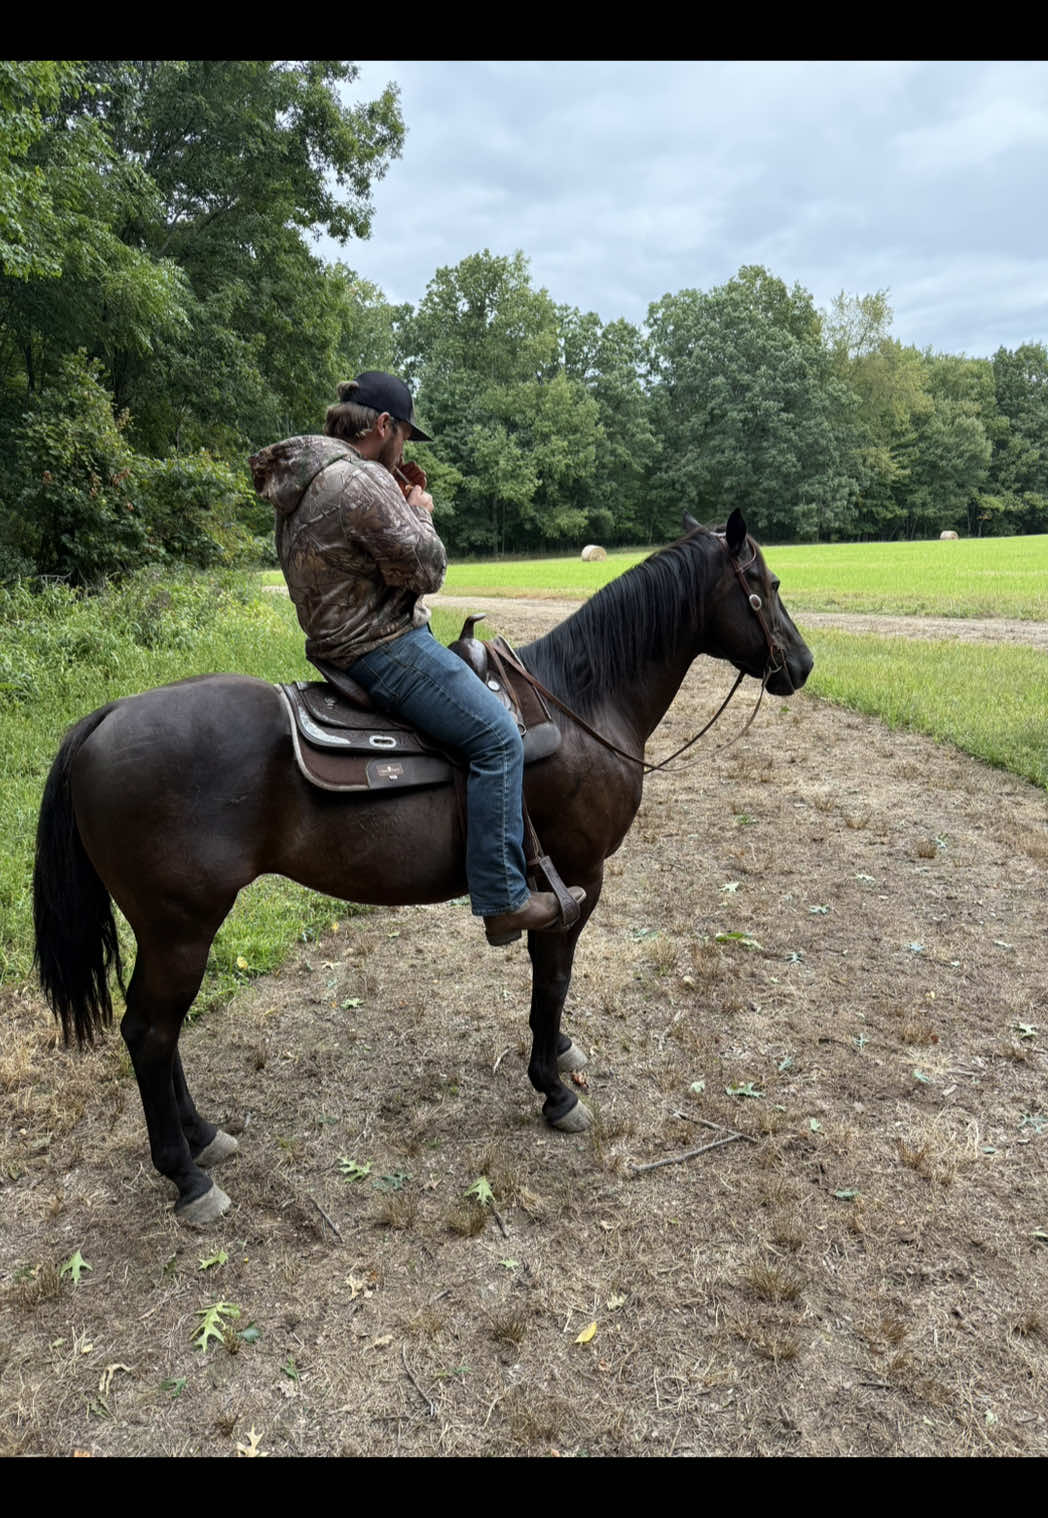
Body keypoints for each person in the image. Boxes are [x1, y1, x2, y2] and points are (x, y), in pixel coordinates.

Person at [249, 371, 584, 946]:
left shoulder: (303, 481)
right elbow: (427, 570)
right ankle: (504, 898)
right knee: (498, 737)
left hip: (335, 643)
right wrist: (420, 511)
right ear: (383, 426)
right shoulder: (360, 481)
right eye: (404, 433)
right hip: (383, 647)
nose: (405, 447)